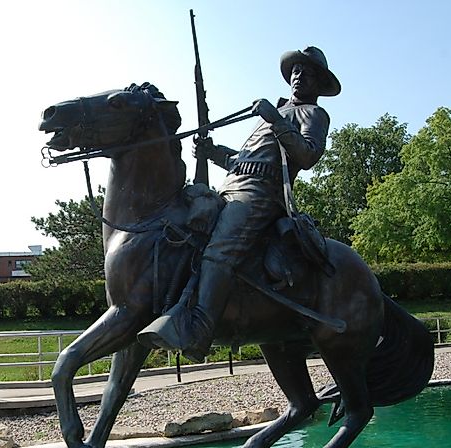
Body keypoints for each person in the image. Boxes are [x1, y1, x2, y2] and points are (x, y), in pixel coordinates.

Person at [138, 46, 341, 360]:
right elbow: (244, 160)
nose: (300, 77)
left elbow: (308, 154)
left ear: (319, 84)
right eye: (297, 71)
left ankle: (200, 329)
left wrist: (275, 119)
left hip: (262, 195)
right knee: (185, 233)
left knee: (220, 251)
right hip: (231, 187)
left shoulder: (313, 114)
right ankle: (172, 307)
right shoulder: (275, 113)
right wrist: (213, 150)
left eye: (309, 74)